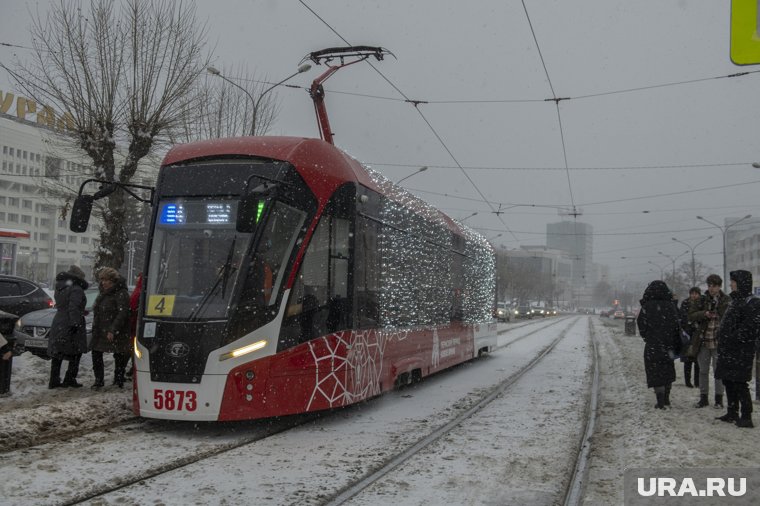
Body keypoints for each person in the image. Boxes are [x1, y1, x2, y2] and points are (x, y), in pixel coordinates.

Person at [714, 270, 760, 428]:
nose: (730, 284)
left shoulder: (752, 302)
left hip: (741, 350)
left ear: (741, 283)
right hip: (728, 349)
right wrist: (721, 335)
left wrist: (732, 338)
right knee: (728, 380)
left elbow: (749, 328)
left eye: (733, 281)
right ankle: (732, 412)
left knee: (740, 382)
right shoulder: (734, 301)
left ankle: (746, 416)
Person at [637, 280, 682, 409]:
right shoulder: (671, 306)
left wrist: (648, 337)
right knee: (668, 369)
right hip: (669, 345)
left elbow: (641, 324)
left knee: (655, 371)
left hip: (653, 345)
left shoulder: (647, 306)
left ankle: (660, 399)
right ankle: (667, 397)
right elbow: (677, 324)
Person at [688, 274, 730, 408]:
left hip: (719, 341)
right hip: (704, 340)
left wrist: (720, 312)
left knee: (718, 371)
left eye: (715, 286)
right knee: (703, 370)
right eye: (710, 286)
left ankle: (719, 399)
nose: (712, 289)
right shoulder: (702, 300)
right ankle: (703, 397)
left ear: (719, 286)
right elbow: (691, 315)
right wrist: (704, 314)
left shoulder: (726, 300)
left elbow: (730, 318)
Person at [48, 265, 89, 388]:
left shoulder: (60, 287)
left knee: (57, 353)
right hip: (70, 322)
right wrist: (75, 323)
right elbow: (73, 307)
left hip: (59, 321)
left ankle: (54, 380)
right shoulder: (76, 289)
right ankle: (70, 378)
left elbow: (65, 305)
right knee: (76, 352)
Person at [90, 267, 131, 389]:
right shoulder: (103, 293)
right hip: (101, 329)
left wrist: (113, 329)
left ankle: (118, 379)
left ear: (113, 280)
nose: (104, 282)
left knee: (119, 354)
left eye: (106, 280)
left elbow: (122, 313)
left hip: (116, 330)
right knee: (96, 352)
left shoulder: (121, 293)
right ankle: (99, 380)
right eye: (102, 280)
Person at [679, 287, 701, 388]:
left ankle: (697, 381)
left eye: (696, 294)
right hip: (687, 335)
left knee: (698, 360)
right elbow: (683, 317)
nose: (694, 295)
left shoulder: (702, 303)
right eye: (692, 293)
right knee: (688, 360)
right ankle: (688, 381)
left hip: (698, 335)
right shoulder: (685, 303)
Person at [124, 272, 142, 380]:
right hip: (133, 325)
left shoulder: (138, 291)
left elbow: (134, 307)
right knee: (132, 349)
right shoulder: (138, 290)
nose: (136, 279)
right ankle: (131, 369)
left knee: (131, 350)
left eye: (138, 278)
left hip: (134, 325)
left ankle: (130, 369)